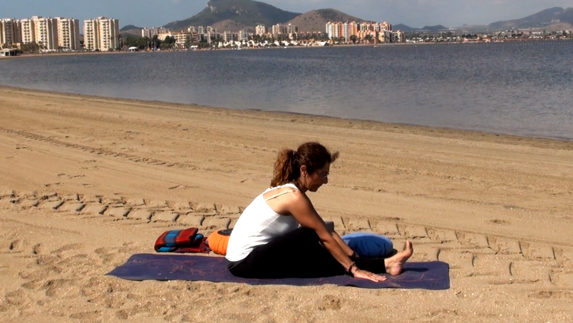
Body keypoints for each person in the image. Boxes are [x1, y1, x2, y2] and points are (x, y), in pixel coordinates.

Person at [225, 142, 413, 281]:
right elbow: (322, 235)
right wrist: (353, 269)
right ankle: (386, 264)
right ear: (305, 170)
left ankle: (387, 264)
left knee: (318, 239)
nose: (325, 181)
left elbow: (326, 229)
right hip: (244, 263)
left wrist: (353, 256)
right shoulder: (294, 197)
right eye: (323, 174)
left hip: (254, 256)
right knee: (310, 236)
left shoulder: (289, 190)